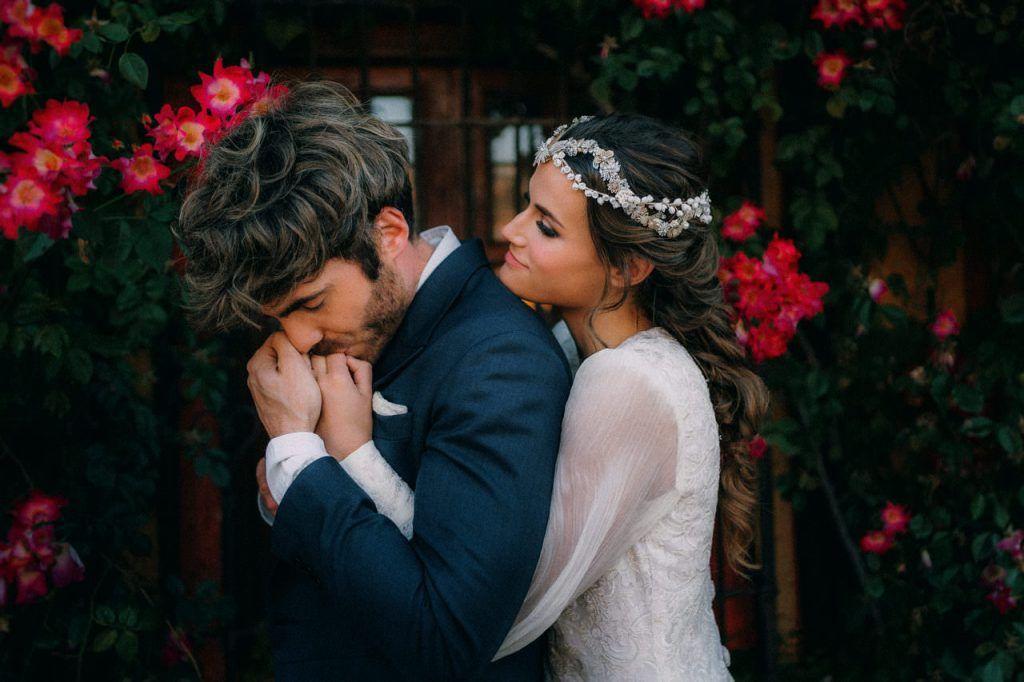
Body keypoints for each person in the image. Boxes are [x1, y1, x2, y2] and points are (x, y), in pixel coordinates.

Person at [286, 113, 770, 679]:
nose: (512, 230)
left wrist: (350, 454)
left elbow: (501, 604)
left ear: (626, 268)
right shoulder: (572, 349)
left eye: (546, 227)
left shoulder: (627, 382)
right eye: (526, 206)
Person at [175, 80, 572, 680]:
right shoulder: (359, 328)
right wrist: (281, 492)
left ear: (387, 235)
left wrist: (298, 457)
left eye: (310, 302)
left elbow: (445, 637)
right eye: (279, 315)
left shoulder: (499, 361)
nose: (299, 339)